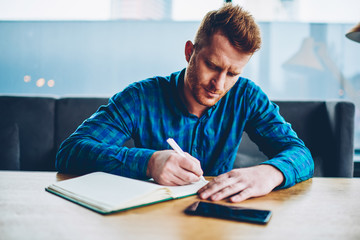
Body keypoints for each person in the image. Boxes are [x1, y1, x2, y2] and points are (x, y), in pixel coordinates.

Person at [56, 3, 314, 203]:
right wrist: (149, 162)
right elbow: (70, 152)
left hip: (220, 219)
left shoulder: (246, 96)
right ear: (190, 52)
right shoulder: (140, 98)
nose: (219, 84)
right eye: (212, 66)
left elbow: (300, 154)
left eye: (233, 74)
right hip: (150, 221)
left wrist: (269, 173)